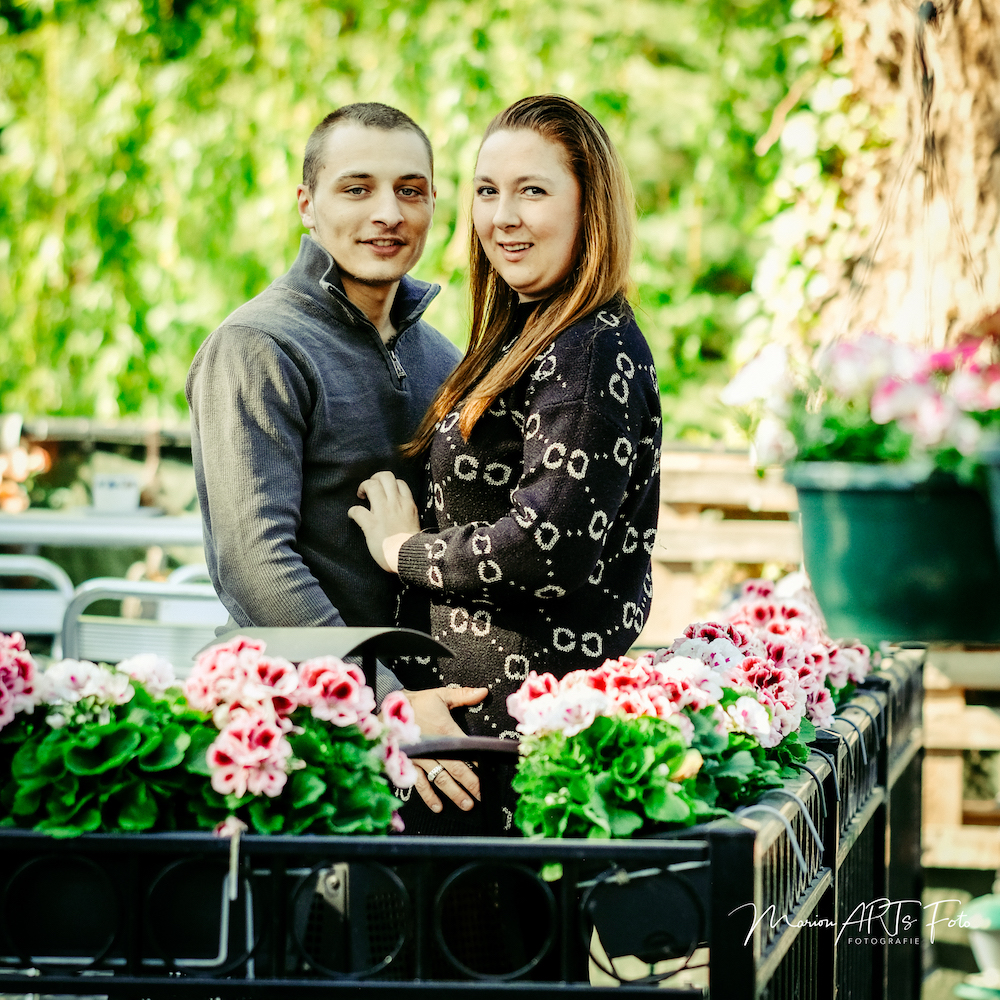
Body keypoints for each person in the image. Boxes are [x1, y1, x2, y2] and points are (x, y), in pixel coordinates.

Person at [348, 94, 662, 831]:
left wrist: (404, 551)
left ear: (590, 207)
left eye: (533, 191)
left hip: (510, 753)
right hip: (472, 741)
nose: (503, 217)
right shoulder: (533, 333)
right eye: (488, 191)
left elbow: (546, 546)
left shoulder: (588, 350)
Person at [186, 103, 488, 735]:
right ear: (307, 204)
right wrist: (383, 699)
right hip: (295, 722)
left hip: (430, 711)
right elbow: (253, 564)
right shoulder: (257, 347)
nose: (389, 213)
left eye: (411, 190)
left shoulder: (446, 359)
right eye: (357, 189)